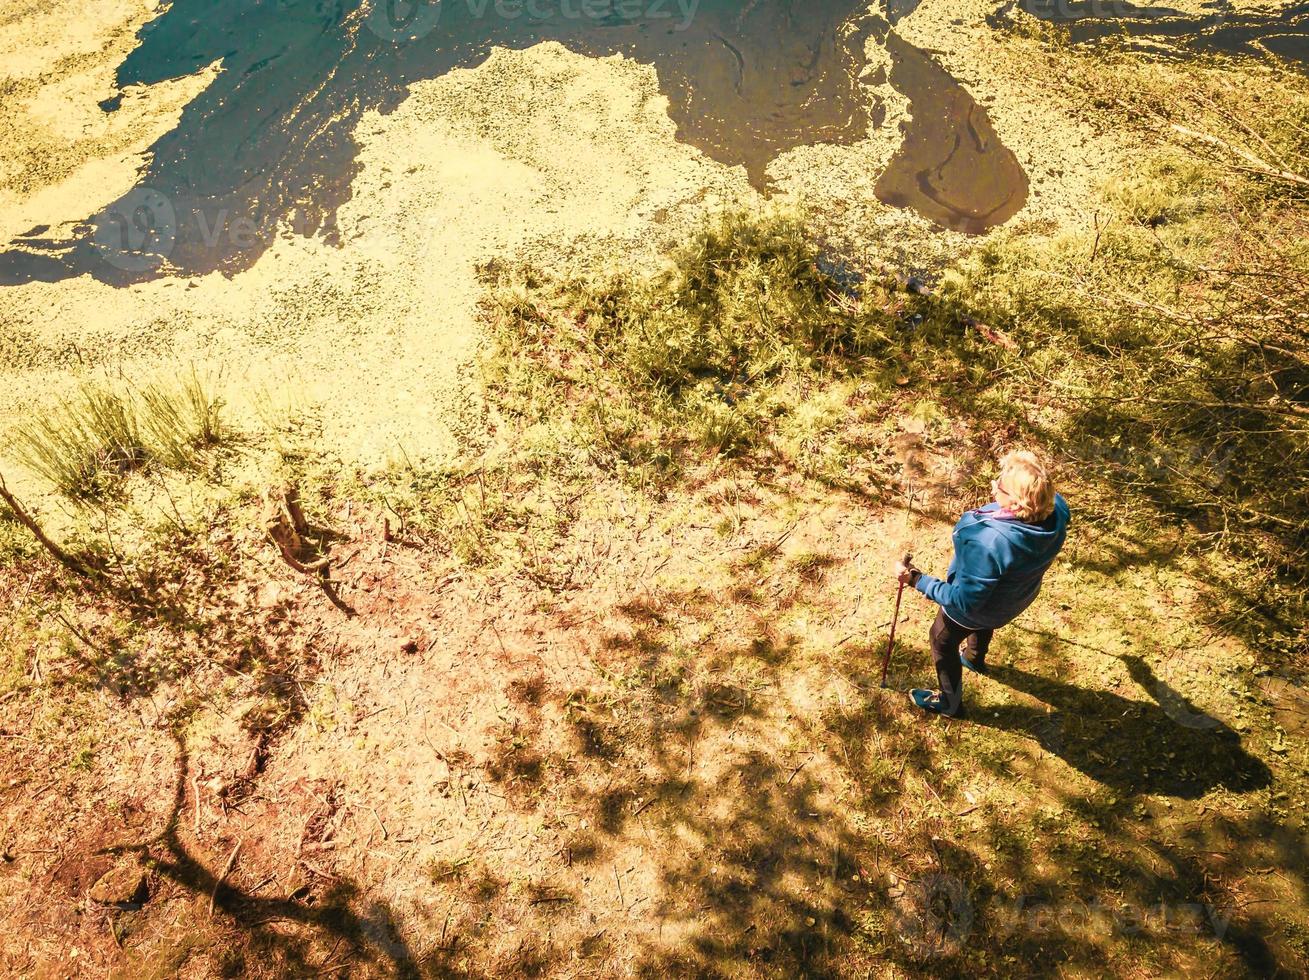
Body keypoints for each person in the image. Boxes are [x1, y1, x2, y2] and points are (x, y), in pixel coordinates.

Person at [895, 449, 1070, 717]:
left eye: (999, 485)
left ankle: (950, 704)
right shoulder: (1056, 509)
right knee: (985, 619)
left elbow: (965, 601)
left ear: (1016, 505)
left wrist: (916, 579)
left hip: (977, 609)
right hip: (1012, 599)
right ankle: (974, 658)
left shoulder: (989, 544)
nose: (993, 486)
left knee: (941, 640)